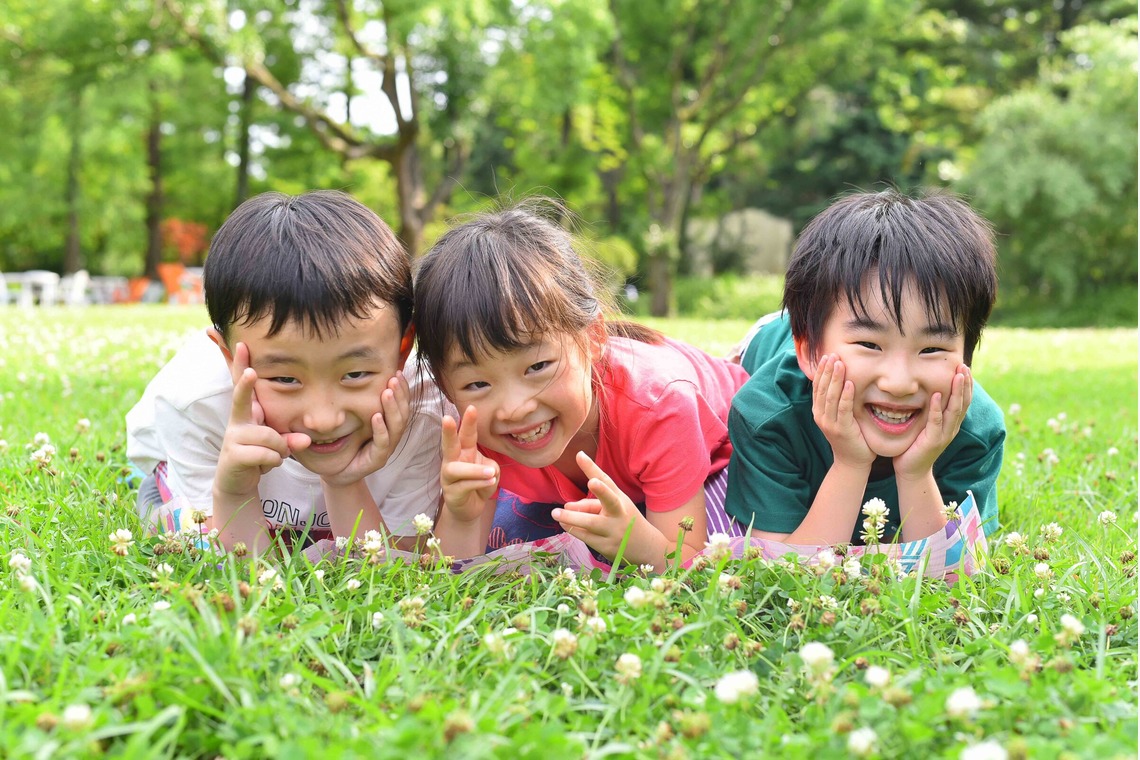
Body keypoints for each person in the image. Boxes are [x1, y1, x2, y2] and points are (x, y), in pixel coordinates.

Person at [413, 202, 751, 572]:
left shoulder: (661, 406)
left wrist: (642, 545)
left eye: (538, 367)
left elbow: (692, 564)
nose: (514, 407)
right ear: (444, 383)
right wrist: (462, 515)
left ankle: (762, 339)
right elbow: (449, 572)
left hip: (728, 446)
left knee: (736, 544)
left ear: (593, 338)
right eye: (477, 383)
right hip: (624, 469)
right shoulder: (471, 426)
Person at [126, 190, 448, 555]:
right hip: (179, 470)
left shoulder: (425, 412)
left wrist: (344, 481)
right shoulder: (195, 402)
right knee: (181, 535)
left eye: (355, 374)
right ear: (230, 358)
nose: (324, 419)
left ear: (403, 349)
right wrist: (236, 492)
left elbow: (396, 564)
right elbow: (239, 571)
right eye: (285, 379)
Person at [725, 189, 1005, 546]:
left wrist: (917, 473)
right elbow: (783, 570)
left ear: (966, 356)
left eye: (932, 348)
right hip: (770, 341)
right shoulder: (765, 414)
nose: (899, 383)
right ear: (809, 352)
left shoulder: (977, 430)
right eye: (870, 344)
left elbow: (954, 576)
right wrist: (850, 464)